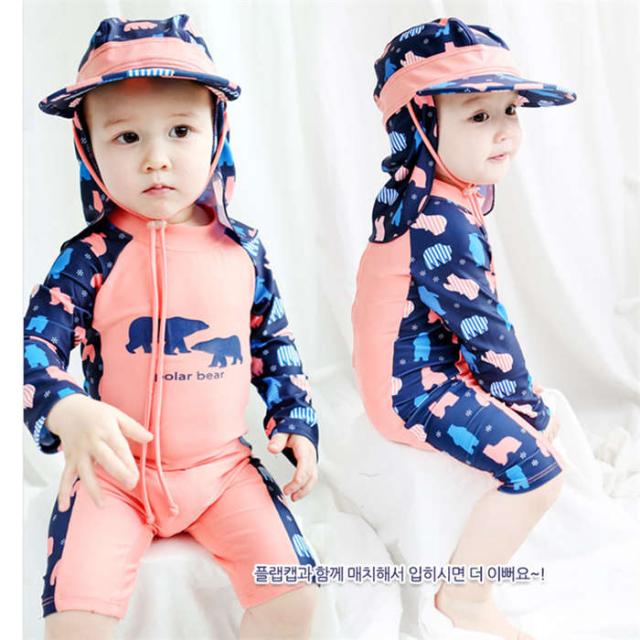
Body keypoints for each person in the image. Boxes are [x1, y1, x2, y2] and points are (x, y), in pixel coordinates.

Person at [24, 14, 319, 640]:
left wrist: (294, 420)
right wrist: (64, 407)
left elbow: (273, 343)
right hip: (114, 473)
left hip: (222, 472)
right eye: (126, 137)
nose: (156, 158)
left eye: (180, 131)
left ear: (216, 135)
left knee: (295, 598)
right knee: (74, 620)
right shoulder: (89, 257)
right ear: (88, 148)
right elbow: (34, 345)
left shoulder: (243, 250)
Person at [351, 16, 576, 640]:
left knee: (539, 420)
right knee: (539, 471)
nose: (504, 130)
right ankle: (466, 595)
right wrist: (524, 405)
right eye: (479, 116)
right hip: (412, 393)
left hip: (418, 370)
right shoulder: (441, 219)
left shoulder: (429, 194)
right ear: (420, 126)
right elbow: (486, 330)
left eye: (510, 111)